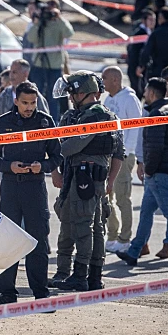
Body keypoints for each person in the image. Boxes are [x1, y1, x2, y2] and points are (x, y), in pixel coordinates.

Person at [0, 82, 62, 306]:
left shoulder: (45, 122)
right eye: (25, 103)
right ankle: (7, 292)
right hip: (10, 186)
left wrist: (43, 166)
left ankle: (40, 293)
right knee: (7, 240)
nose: (29, 107)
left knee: (38, 240)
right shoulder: (3, 122)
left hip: (35, 186)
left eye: (33, 103)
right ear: (16, 101)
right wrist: (10, 166)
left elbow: (57, 156)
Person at [117, 78, 168, 270]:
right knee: (146, 211)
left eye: (146, 91)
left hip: (159, 172)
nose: (144, 95)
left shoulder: (156, 115)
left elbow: (154, 149)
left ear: (153, 94)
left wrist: (150, 170)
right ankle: (134, 251)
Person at [53, 72, 123, 292]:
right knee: (91, 227)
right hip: (89, 178)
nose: (71, 97)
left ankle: (81, 276)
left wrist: (50, 155)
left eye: (73, 93)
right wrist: (110, 181)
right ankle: (92, 276)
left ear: (82, 93)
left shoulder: (96, 116)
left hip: (85, 178)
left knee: (85, 226)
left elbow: (70, 146)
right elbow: (119, 153)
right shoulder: (97, 115)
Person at [102, 66, 142, 254]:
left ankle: (125, 238)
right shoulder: (108, 99)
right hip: (107, 155)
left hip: (124, 156)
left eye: (105, 78)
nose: (102, 81)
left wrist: (127, 152)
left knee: (122, 198)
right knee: (105, 196)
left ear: (115, 80)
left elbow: (136, 127)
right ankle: (112, 235)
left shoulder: (130, 99)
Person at [25, 0, 74, 122]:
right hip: (39, 63)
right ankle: (36, 120)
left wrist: (59, 18)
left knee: (54, 97)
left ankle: (52, 121)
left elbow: (69, 33)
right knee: (37, 94)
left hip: (55, 65)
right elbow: (31, 38)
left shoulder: (59, 23)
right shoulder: (41, 23)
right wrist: (37, 22)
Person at [138, 7, 168, 82]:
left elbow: (147, 52)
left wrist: (142, 65)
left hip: (158, 70)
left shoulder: (155, 34)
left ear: (161, 18)